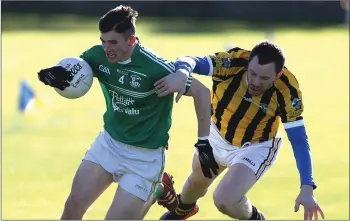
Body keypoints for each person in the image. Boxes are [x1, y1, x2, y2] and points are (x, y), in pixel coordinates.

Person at [37, 5, 212, 220]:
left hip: (144, 159)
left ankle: (156, 187)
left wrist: (203, 142)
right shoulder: (97, 56)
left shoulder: (156, 67)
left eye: (113, 42)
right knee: (73, 206)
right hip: (108, 144)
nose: (106, 48)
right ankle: (158, 188)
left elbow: (202, 93)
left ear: (131, 40)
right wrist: (55, 77)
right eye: (103, 40)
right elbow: (76, 72)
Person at [155, 40, 325, 220]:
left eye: (265, 78)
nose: (256, 82)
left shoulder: (288, 90)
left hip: (256, 146)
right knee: (194, 184)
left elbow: (299, 139)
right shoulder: (232, 64)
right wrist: (183, 71)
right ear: (249, 62)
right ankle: (183, 211)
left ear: (278, 74)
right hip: (217, 133)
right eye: (253, 74)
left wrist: (307, 186)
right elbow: (190, 60)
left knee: (224, 199)